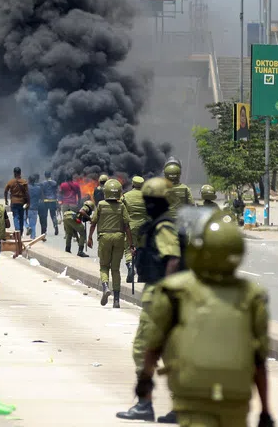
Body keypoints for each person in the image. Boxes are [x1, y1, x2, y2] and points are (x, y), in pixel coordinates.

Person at [135, 211, 273, 427]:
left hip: (192, 395)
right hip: (235, 397)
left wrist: (145, 381)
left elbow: (154, 344)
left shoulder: (175, 290)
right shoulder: (252, 295)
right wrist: (265, 410)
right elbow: (259, 359)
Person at [117, 177, 183, 423]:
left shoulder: (163, 227)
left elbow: (172, 258)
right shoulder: (162, 223)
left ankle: (145, 405)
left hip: (159, 297)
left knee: (142, 350)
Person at [87, 178, 134, 308]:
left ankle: (106, 287)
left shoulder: (101, 204)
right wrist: (131, 245)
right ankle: (117, 300)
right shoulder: (122, 206)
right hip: (119, 237)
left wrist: (89, 237)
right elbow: (127, 226)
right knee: (115, 269)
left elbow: (93, 223)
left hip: (104, 238)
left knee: (104, 266)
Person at [121, 176, 148, 285]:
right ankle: (141, 274)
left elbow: (121, 210)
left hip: (130, 226)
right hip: (144, 226)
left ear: (132, 184)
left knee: (129, 247)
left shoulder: (126, 196)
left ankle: (131, 266)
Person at [4, 167, 30, 235]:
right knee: (21, 217)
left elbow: (5, 191)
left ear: (14, 173)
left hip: (14, 202)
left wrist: (6, 200)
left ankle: (17, 230)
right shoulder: (24, 182)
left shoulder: (11, 182)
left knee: (15, 216)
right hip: (21, 202)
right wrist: (28, 202)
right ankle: (21, 232)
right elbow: (27, 193)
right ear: (20, 173)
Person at [26, 174, 43, 239]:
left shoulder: (26, 187)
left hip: (27, 208)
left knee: (23, 219)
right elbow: (41, 198)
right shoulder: (38, 188)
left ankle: (27, 227)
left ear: (29, 180)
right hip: (35, 209)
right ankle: (32, 237)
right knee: (33, 224)